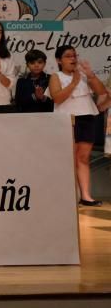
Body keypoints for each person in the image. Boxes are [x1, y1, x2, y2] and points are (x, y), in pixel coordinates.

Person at [49, 45, 109, 207]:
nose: (73, 59)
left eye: (74, 55)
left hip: (87, 117)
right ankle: (68, 196)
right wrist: (73, 83)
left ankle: (86, 196)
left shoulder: (83, 75)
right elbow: (57, 98)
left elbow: (102, 92)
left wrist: (90, 75)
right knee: (68, 159)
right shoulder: (56, 76)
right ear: (59, 60)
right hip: (68, 119)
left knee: (83, 158)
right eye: (68, 56)